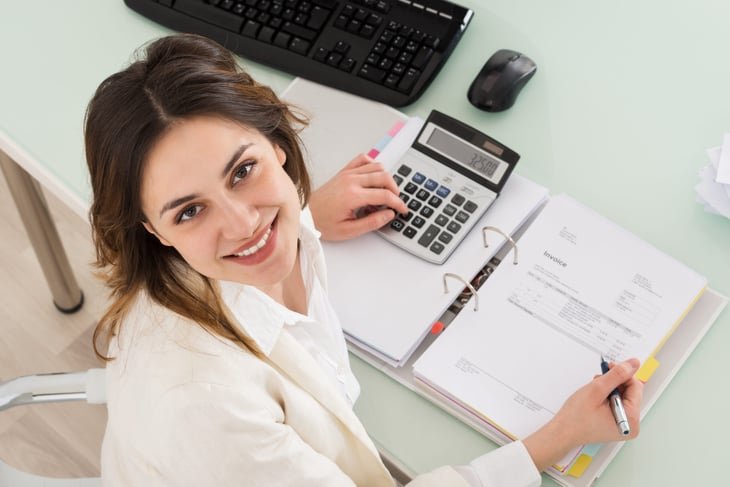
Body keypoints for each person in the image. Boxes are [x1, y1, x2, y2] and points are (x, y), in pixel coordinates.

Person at [84, 34, 643, 486]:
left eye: (243, 171)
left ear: (275, 144)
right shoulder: (206, 410)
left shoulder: (269, 231)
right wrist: (556, 438)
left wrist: (304, 216)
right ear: (152, 229)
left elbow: (264, 219)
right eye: (189, 213)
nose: (243, 224)